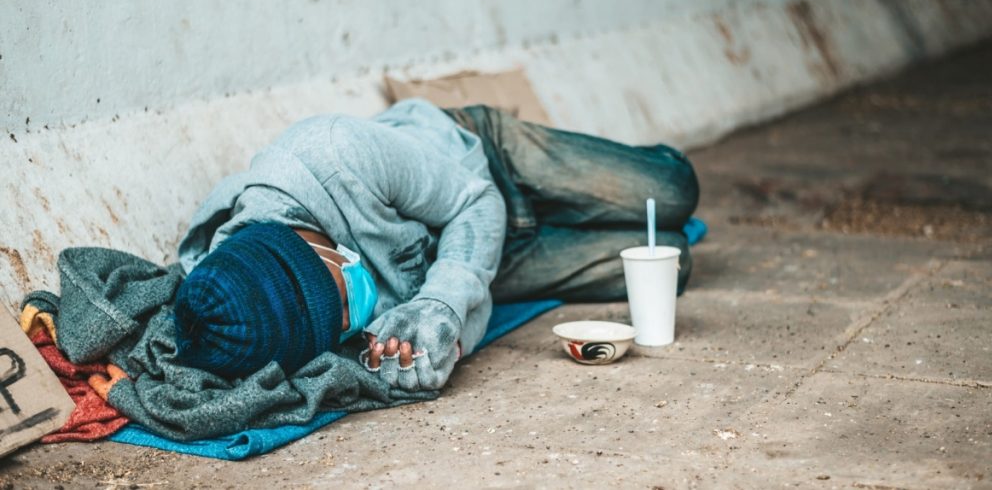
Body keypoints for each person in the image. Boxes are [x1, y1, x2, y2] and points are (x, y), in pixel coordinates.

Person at [172, 99, 699, 392]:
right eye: (336, 327)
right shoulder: (266, 323)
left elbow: (478, 204)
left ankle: (572, 189)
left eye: (337, 298)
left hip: (481, 165)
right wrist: (442, 346)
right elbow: (472, 298)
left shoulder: (333, 152)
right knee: (671, 261)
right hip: (475, 258)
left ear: (311, 244)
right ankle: (574, 211)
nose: (349, 317)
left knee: (673, 194)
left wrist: (441, 300)